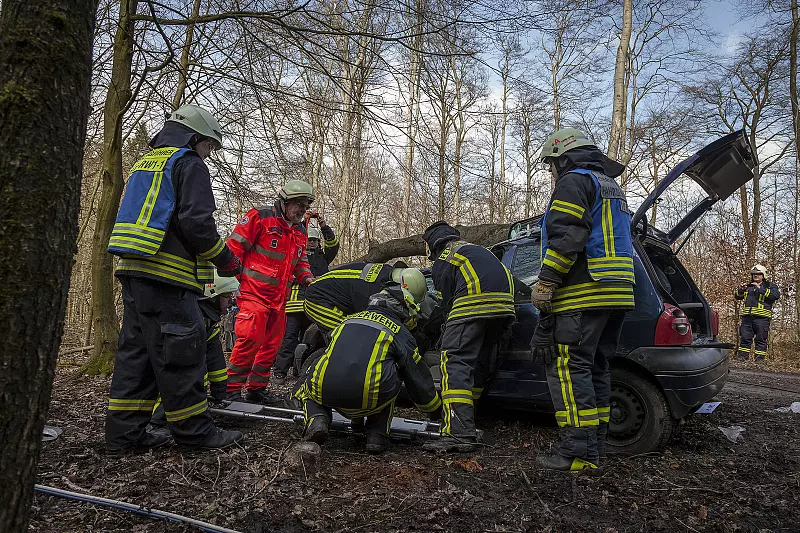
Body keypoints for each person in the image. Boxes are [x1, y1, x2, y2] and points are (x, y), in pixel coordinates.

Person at [105, 104, 243, 454]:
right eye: (209, 145)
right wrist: (226, 260)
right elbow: (197, 224)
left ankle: (124, 437)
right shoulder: (188, 163)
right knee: (181, 354)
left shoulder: (146, 162)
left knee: (136, 357)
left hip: (132, 271)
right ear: (194, 138)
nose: (208, 154)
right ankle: (195, 434)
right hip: (168, 275)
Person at [529, 127, 635, 471]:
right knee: (597, 368)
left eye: (551, 164)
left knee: (569, 369)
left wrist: (547, 280)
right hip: (618, 291)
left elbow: (568, 233)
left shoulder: (573, 181)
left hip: (584, 291)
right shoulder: (610, 186)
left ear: (563, 158)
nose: (551, 172)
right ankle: (595, 450)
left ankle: (577, 453)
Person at [294, 282, 441, 454]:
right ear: (403, 311)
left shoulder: (347, 320)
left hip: (325, 390)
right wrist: (434, 410)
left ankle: (317, 419)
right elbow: (416, 376)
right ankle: (376, 435)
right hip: (369, 397)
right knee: (393, 373)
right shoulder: (399, 332)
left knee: (310, 390)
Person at [420, 221, 516, 453]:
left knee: (454, 363)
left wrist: (441, 330)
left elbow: (446, 302)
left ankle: (459, 432)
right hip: (504, 309)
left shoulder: (445, 258)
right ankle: (470, 418)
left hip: (473, 304)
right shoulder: (476, 249)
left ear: (431, 245)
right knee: (479, 362)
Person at [225, 180, 315, 405]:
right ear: (285, 202)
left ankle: (257, 389)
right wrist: (234, 283)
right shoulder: (259, 217)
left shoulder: (300, 230)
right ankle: (231, 390)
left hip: (279, 298)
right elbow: (233, 249)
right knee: (250, 340)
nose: (302, 210)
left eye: (306, 206)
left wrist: (307, 278)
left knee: (272, 346)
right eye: (299, 205)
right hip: (253, 294)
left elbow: (300, 261)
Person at [150, 274, 239, 428]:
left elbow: (215, 360)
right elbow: (186, 371)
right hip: (168, 388)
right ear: (212, 297)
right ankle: (158, 422)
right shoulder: (188, 323)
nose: (231, 301)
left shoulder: (209, 323)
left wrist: (220, 392)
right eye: (226, 297)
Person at [272, 218, 339, 383]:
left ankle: (301, 369)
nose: (312, 243)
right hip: (295, 305)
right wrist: (303, 223)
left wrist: (324, 226)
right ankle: (280, 371)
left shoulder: (323, 257)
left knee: (312, 339)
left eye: (315, 240)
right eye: (309, 240)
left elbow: (333, 244)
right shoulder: (295, 254)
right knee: (289, 338)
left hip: (316, 306)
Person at [303, 262, 418, 334]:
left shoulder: (388, 273)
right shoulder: (371, 294)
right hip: (316, 299)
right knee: (351, 334)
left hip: (336, 292)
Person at [735, 264, 780, 361]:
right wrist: (741, 290)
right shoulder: (749, 286)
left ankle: (759, 362)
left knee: (761, 340)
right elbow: (737, 296)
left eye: (758, 274)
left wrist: (761, 289)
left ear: (763, 275)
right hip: (747, 318)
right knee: (745, 339)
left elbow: (775, 296)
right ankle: (742, 360)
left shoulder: (770, 286)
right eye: (754, 274)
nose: (755, 275)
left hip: (762, 319)